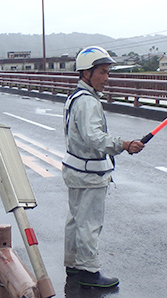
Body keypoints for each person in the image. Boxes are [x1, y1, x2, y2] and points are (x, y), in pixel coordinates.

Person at [62, 46, 144, 288]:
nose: (107, 78)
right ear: (86, 73)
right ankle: (89, 270)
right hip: (89, 174)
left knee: (76, 220)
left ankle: (74, 266)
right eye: (102, 72)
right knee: (89, 223)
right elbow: (94, 138)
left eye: (108, 73)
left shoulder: (76, 97)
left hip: (76, 170)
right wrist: (125, 144)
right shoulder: (88, 103)